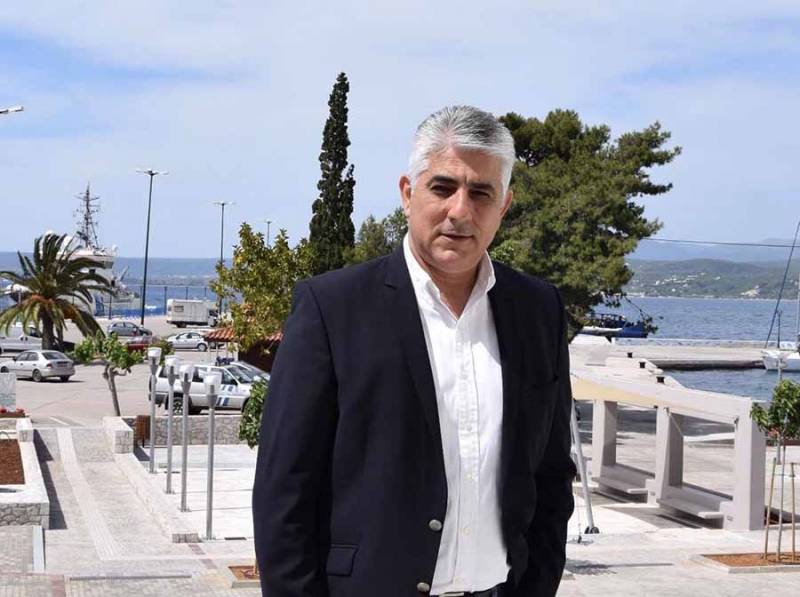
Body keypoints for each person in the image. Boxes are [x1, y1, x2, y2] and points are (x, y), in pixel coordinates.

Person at [253, 105, 576, 597]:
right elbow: (285, 490)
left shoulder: (539, 311)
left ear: (504, 206)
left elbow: (551, 474)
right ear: (408, 193)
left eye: (481, 193)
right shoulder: (332, 309)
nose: (460, 211)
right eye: (443, 188)